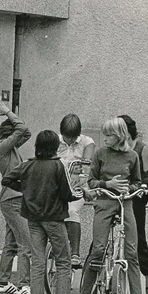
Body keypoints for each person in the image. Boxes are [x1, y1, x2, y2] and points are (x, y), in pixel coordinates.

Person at [70, 117, 148, 294]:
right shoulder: (100, 154)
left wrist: (131, 189)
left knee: (131, 252)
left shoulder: (132, 156)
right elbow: (92, 181)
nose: (104, 138)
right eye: (104, 134)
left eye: (108, 135)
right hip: (104, 203)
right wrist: (108, 183)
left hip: (125, 204)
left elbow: (137, 182)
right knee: (97, 250)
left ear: (120, 136)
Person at [2, 130, 83, 294]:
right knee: (63, 261)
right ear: (55, 147)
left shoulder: (27, 165)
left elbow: (7, 179)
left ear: (37, 146)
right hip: (54, 218)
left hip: (33, 218)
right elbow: (67, 193)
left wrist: (27, 190)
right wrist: (80, 193)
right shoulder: (58, 166)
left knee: (38, 263)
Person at [0, 100, 32, 294]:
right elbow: (23, 128)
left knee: (11, 243)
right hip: (14, 200)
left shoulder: (9, 148)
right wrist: (7, 112)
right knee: (26, 244)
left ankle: (4, 281)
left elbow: (26, 132)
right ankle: (24, 284)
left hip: (11, 199)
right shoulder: (3, 147)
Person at [118, 114, 148, 294]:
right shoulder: (114, 148)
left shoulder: (141, 148)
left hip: (136, 197)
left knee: (138, 237)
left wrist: (143, 187)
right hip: (116, 195)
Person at [56, 113, 95, 267]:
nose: (70, 141)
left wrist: (82, 181)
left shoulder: (87, 142)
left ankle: (75, 253)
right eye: (67, 137)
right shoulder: (55, 141)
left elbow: (86, 166)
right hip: (58, 186)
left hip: (77, 186)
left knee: (72, 211)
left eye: (73, 137)